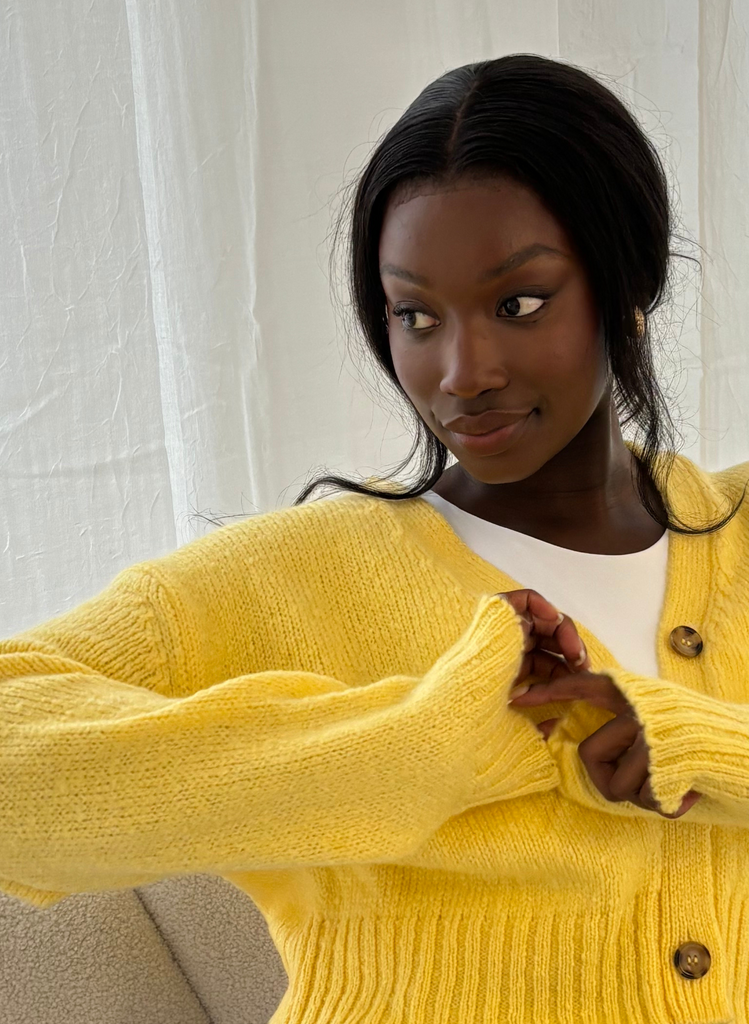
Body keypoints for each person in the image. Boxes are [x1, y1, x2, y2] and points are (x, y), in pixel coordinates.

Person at [2, 53, 749, 1024]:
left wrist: (689, 744)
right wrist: (424, 748)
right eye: (415, 316)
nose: (461, 369)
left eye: (518, 303)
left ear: (625, 287)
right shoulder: (289, 576)